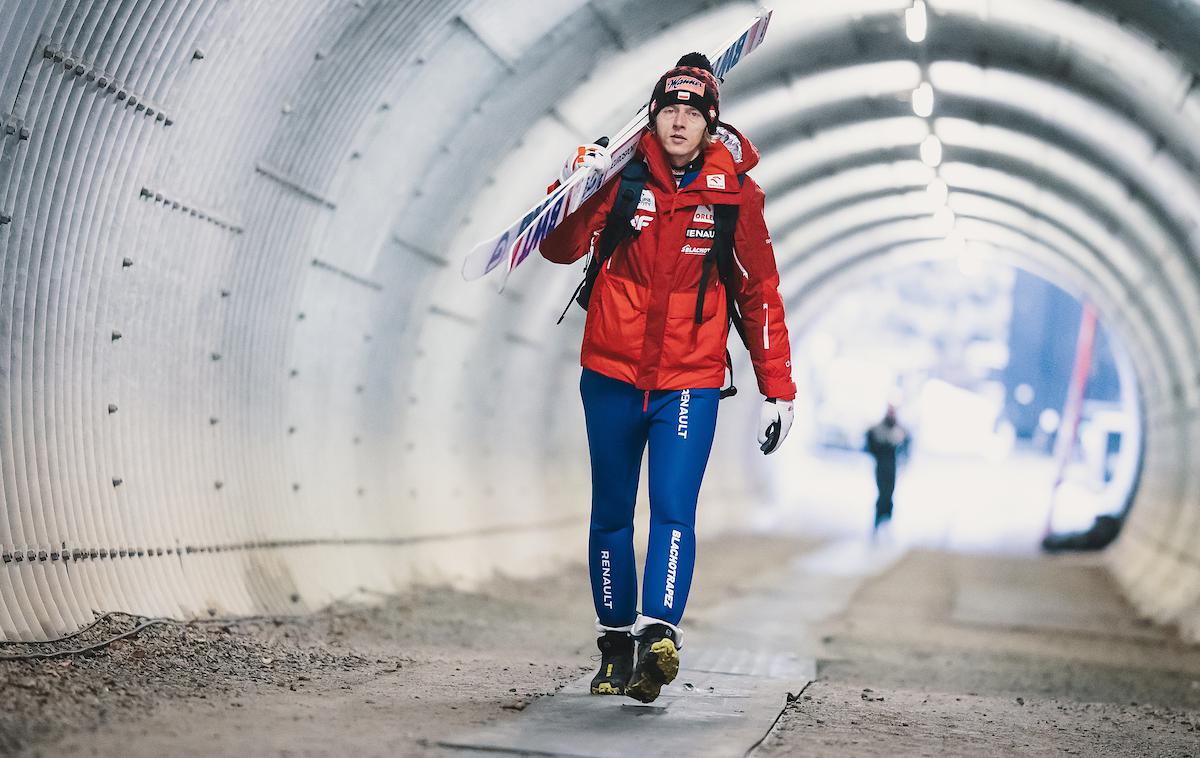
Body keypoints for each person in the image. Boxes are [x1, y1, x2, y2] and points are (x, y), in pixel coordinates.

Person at [539, 53, 796, 703]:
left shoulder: (735, 192)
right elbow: (558, 247)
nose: (679, 121)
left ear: (712, 125)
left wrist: (778, 389)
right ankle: (613, 647)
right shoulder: (618, 177)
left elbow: (758, 288)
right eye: (669, 109)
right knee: (611, 516)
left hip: (690, 379)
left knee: (674, 511)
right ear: (652, 117)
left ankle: (658, 637)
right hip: (611, 372)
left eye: (693, 112)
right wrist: (572, 186)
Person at [865, 405, 909, 534]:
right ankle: (879, 520)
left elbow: (905, 443)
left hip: (892, 466)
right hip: (882, 465)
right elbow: (870, 442)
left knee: (889, 493)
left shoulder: (898, 430)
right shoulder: (878, 429)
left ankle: (886, 519)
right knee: (882, 493)